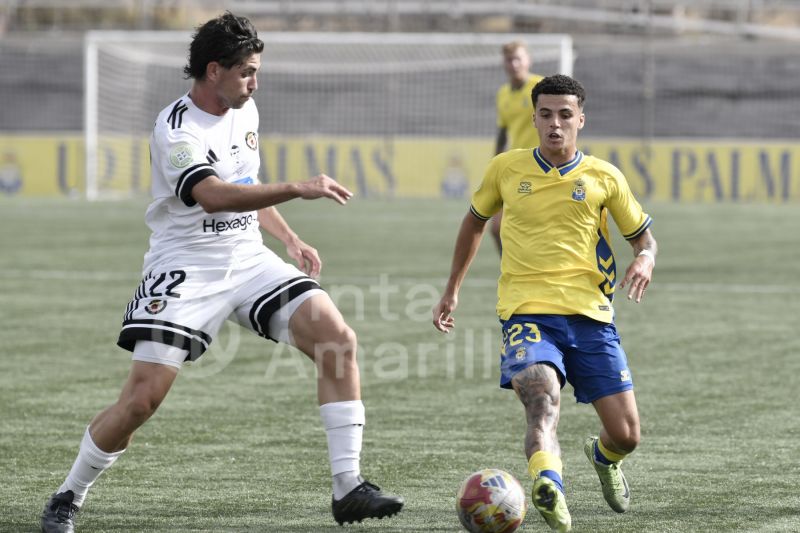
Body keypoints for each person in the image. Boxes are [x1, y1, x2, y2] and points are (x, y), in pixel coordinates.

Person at [40, 12, 403, 533]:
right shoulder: (176, 128)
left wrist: (288, 237)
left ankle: (348, 487)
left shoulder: (245, 108)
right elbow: (211, 195)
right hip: (186, 265)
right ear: (214, 70)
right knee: (141, 401)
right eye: (246, 72)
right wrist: (297, 187)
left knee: (336, 338)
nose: (255, 83)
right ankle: (68, 494)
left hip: (247, 257)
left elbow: (245, 184)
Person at [432, 74, 657, 532]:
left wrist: (646, 259)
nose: (555, 124)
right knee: (541, 400)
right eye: (546, 114)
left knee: (627, 436)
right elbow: (474, 223)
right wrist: (452, 287)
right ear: (533, 118)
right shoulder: (506, 169)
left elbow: (643, 238)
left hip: (592, 318)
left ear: (580, 120)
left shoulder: (604, 176)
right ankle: (548, 485)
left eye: (565, 115)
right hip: (527, 312)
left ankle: (603, 456)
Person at [490, 41, 544, 253]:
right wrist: (495, 167)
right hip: (517, 167)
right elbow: (502, 133)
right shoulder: (503, 94)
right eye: (509, 59)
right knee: (497, 228)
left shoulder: (541, 88)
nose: (514, 64)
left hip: (543, 167)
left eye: (518, 58)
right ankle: (513, 271)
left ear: (528, 60)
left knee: (533, 229)